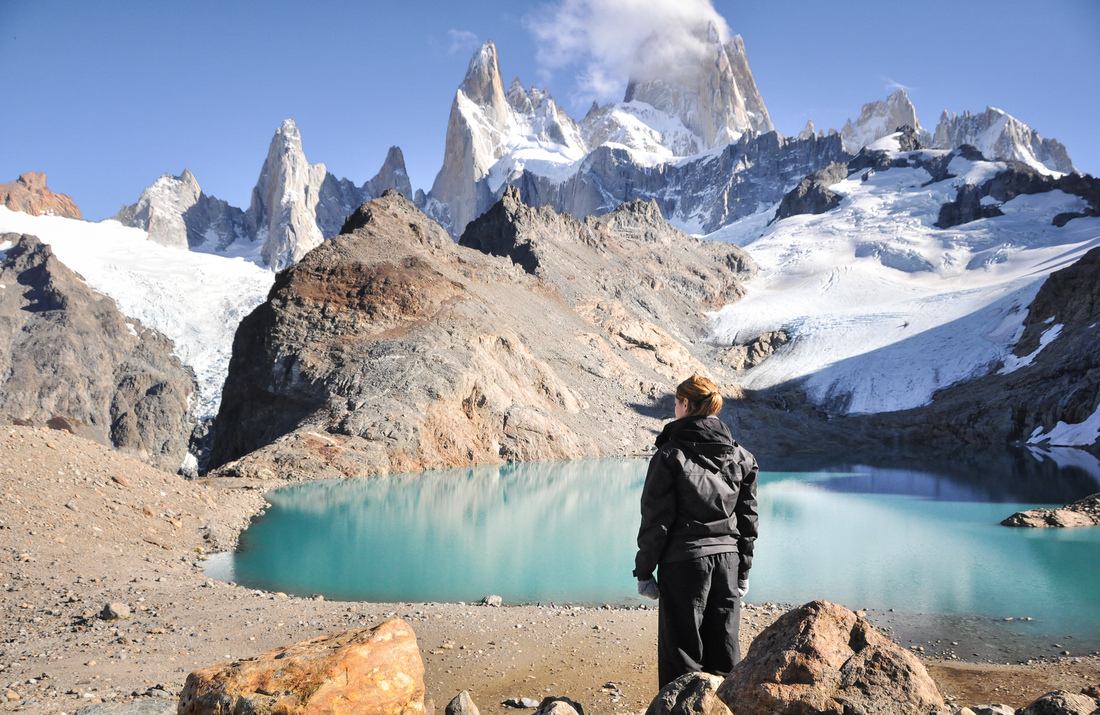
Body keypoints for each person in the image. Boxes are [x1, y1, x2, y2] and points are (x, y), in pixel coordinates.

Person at [633, 374, 759, 688]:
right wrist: (743, 569)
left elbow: (656, 521)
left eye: (676, 402)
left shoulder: (669, 455)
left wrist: (644, 572)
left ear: (686, 404)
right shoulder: (741, 456)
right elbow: (748, 520)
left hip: (684, 563)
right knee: (725, 651)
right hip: (727, 561)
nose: (674, 407)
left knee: (682, 657)